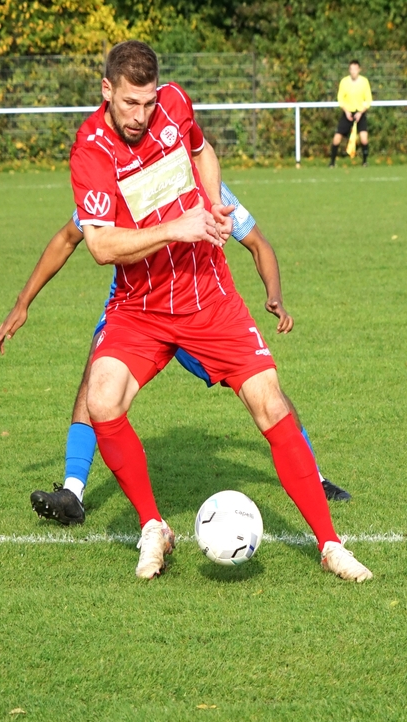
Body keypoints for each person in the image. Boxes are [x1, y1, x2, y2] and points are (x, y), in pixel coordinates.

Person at [68, 40, 372, 582]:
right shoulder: (91, 151)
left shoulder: (175, 104)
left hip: (208, 297)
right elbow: (99, 246)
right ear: (106, 90)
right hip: (140, 306)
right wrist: (176, 228)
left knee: (270, 402)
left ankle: (330, 545)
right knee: (102, 397)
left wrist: (211, 203)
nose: (141, 115)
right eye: (130, 103)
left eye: (148, 102)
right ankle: (153, 526)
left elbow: (203, 150)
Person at [0, 182, 352, 528]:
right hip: (139, 313)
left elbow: (258, 243)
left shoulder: (208, 186)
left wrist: (275, 295)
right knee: (97, 377)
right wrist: (22, 302)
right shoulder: (117, 183)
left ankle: (314, 476)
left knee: (264, 390)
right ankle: (73, 492)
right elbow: (67, 238)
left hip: (201, 312)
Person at [329, 60, 373, 168]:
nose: (353, 71)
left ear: (359, 70)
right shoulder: (344, 82)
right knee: (337, 138)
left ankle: (365, 162)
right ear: (349, 70)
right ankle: (332, 162)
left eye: (355, 69)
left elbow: (368, 99)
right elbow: (340, 98)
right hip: (347, 113)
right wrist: (346, 111)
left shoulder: (364, 82)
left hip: (360, 113)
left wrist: (360, 112)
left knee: (364, 138)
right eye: (351, 69)